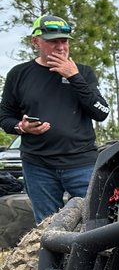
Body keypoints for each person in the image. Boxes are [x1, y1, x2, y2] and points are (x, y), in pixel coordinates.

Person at [0, 15, 110, 222]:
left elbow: (101, 111)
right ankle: (57, 256)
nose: (61, 47)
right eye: (53, 41)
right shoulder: (19, 74)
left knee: (95, 220)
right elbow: (4, 116)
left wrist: (73, 77)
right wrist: (21, 127)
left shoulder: (83, 73)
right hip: (38, 166)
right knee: (47, 224)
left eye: (64, 41)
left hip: (81, 163)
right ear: (36, 41)